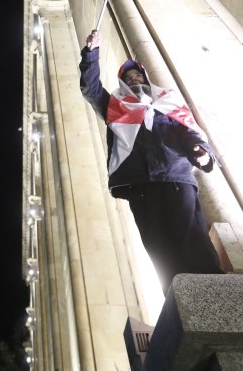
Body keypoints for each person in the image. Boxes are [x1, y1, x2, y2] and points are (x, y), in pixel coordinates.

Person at [79, 28, 224, 293]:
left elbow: (188, 131)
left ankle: (215, 291)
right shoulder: (115, 107)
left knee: (193, 237)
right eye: (129, 78)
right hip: (142, 186)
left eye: (137, 75)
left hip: (176, 178)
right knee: (159, 247)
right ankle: (176, 298)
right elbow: (90, 88)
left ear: (145, 78)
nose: (134, 79)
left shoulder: (168, 105)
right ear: (124, 84)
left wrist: (201, 151)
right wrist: (91, 53)